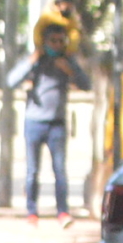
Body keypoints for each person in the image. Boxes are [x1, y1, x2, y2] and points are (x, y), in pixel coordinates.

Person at [17, 26, 84, 223]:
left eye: (60, 41)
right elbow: (12, 80)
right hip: (34, 122)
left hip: (57, 124)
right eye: (52, 41)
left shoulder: (67, 61)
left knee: (60, 170)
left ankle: (62, 212)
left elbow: (86, 83)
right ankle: (31, 211)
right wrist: (32, 61)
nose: (56, 45)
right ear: (44, 43)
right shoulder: (35, 61)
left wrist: (69, 71)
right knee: (32, 171)